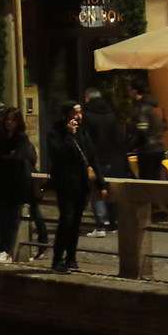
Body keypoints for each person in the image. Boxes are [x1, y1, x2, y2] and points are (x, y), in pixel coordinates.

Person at [44, 101, 106, 273]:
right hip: (64, 183)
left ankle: (71, 258)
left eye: (80, 112)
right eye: (74, 113)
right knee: (67, 219)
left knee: (76, 222)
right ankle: (57, 259)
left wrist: (101, 183)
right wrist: (69, 136)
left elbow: (92, 158)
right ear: (66, 114)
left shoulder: (83, 132)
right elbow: (58, 153)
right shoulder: (55, 132)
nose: (78, 116)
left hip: (81, 183)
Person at [0, 106, 40, 266]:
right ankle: (0, 250)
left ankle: (7, 252)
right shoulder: (1, 138)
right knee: (1, 219)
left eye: (13, 120)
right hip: (2, 181)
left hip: (16, 183)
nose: (9, 123)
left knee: (12, 219)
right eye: (7, 119)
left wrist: (6, 158)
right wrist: (7, 157)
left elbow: (19, 158)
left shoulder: (22, 139)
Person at [82, 92, 131, 232]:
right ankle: (113, 222)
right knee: (112, 189)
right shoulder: (113, 115)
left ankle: (101, 224)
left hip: (97, 158)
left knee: (96, 189)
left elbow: (85, 140)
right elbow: (121, 139)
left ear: (88, 99)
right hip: (114, 158)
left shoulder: (87, 117)